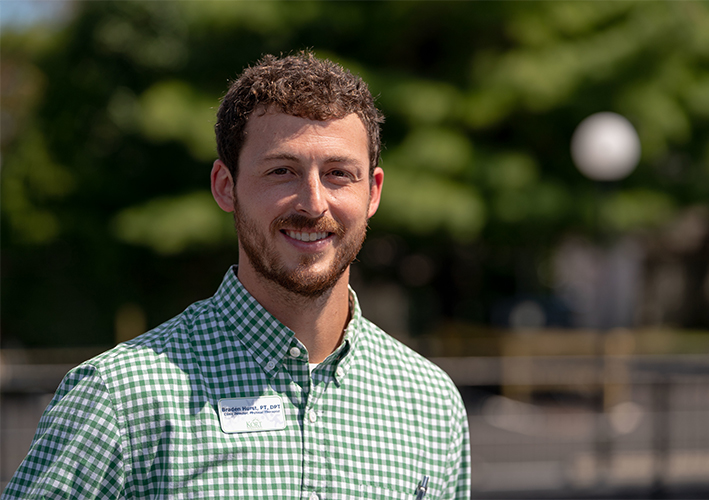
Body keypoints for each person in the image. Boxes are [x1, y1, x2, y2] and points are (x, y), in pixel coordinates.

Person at [2, 52, 471, 499]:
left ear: (372, 191)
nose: (312, 203)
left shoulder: (430, 403)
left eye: (338, 174)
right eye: (282, 171)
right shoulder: (119, 398)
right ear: (226, 187)